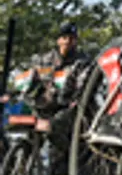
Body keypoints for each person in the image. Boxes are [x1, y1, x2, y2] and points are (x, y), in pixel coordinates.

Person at [26, 24, 92, 157]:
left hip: (66, 108)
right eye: (65, 37)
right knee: (25, 133)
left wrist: (73, 100)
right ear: (59, 40)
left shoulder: (82, 62)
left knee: (53, 128)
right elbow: (30, 79)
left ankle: (68, 158)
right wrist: (18, 91)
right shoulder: (45, 59)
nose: (68, 41)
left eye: (72, 38)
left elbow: (82, 85)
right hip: (42, 106)